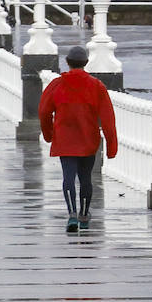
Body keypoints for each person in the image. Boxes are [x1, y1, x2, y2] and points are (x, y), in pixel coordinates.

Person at [38, 45, 118, 233]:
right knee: (85, 178)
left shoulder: (57, 85)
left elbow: (43, 111)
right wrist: (112, 146)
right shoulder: (96, 85)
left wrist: (49, 134)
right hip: (88, 138)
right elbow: (108, 118)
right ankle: (83, 215)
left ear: (67, 62)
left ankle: (71, 214)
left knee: (68, 177)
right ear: (86, 63)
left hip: (64, 138)